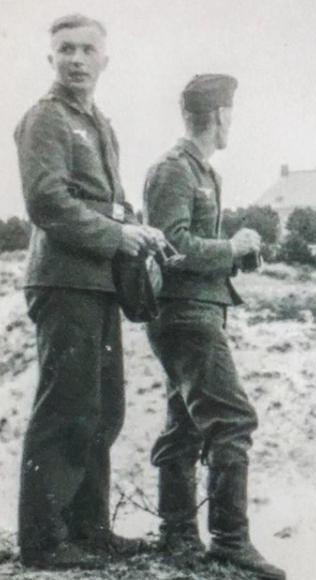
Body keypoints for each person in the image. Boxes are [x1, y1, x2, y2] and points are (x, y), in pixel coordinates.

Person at [14, 14, 165, 569]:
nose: (76, 59)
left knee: (103, 408)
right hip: (64, 280)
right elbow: (47, 202)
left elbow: (111, 202)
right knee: (67, 406)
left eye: (87, 50)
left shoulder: (99, 124)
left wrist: (135, 228)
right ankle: (44, 540)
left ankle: (89, 528)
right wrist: (118, 233)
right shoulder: (45, 120)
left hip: (97, 282)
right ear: (49, 59)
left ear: (106, 59)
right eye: (65, 50)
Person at [143, 74, 286, 580]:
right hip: (185, 316)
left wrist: (234, 258)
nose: (232, 124)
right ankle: (228, 542)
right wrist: (233, 248)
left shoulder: (201, 172)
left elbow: (189, 247)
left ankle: (178, 535)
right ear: (221, 116)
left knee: (184, 425)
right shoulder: (174, 171)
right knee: (232, 421)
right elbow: (172, 246)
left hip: (193, 311)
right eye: (231, 114)